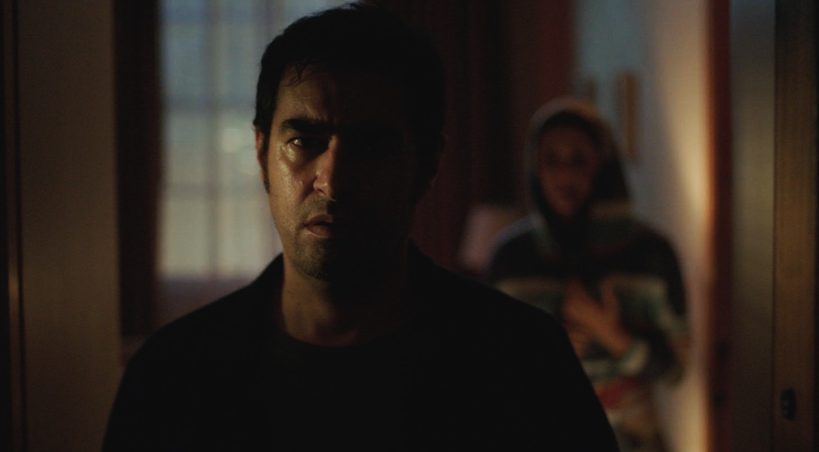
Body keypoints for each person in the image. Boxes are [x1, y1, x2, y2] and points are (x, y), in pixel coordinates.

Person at [103, 5, 619, 451]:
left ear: (428, 164)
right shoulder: (172, 375)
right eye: (303, 142)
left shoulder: (524, 363)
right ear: (261, 155)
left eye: (371, 145)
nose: (332, 180)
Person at [487, 97, 689, 452]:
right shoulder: (511, 257)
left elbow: (674, 370)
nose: (565, 174)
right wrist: (550, 349)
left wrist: (613, 335)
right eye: (552, 160)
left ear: (603, 165)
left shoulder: (649, 253)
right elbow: (488, 368)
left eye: (578, 159)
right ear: (535, 168)